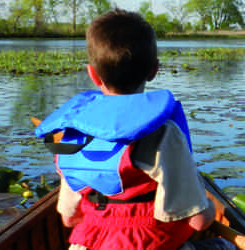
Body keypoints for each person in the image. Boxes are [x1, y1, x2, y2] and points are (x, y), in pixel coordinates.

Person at [34, 9, 222, 250]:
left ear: (93, 74)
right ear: (154, 70)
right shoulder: (163, 133)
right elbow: (198, 222)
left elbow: (69, 218)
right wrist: (205, 208)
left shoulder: (70, 134)